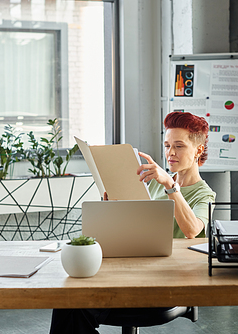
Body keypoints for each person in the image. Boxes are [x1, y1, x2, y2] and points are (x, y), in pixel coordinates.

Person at [49, 111, 216, 334]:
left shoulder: (203, 194)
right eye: (167, 146)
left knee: (73, 308)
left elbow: (192, 230)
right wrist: (113, 206)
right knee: (66, 300)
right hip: (134, 271)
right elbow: (132, 227)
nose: (170, 153)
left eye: (179, 146)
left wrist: (170, 186)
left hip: (167, 283)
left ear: (198, 150)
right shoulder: (153, 182)